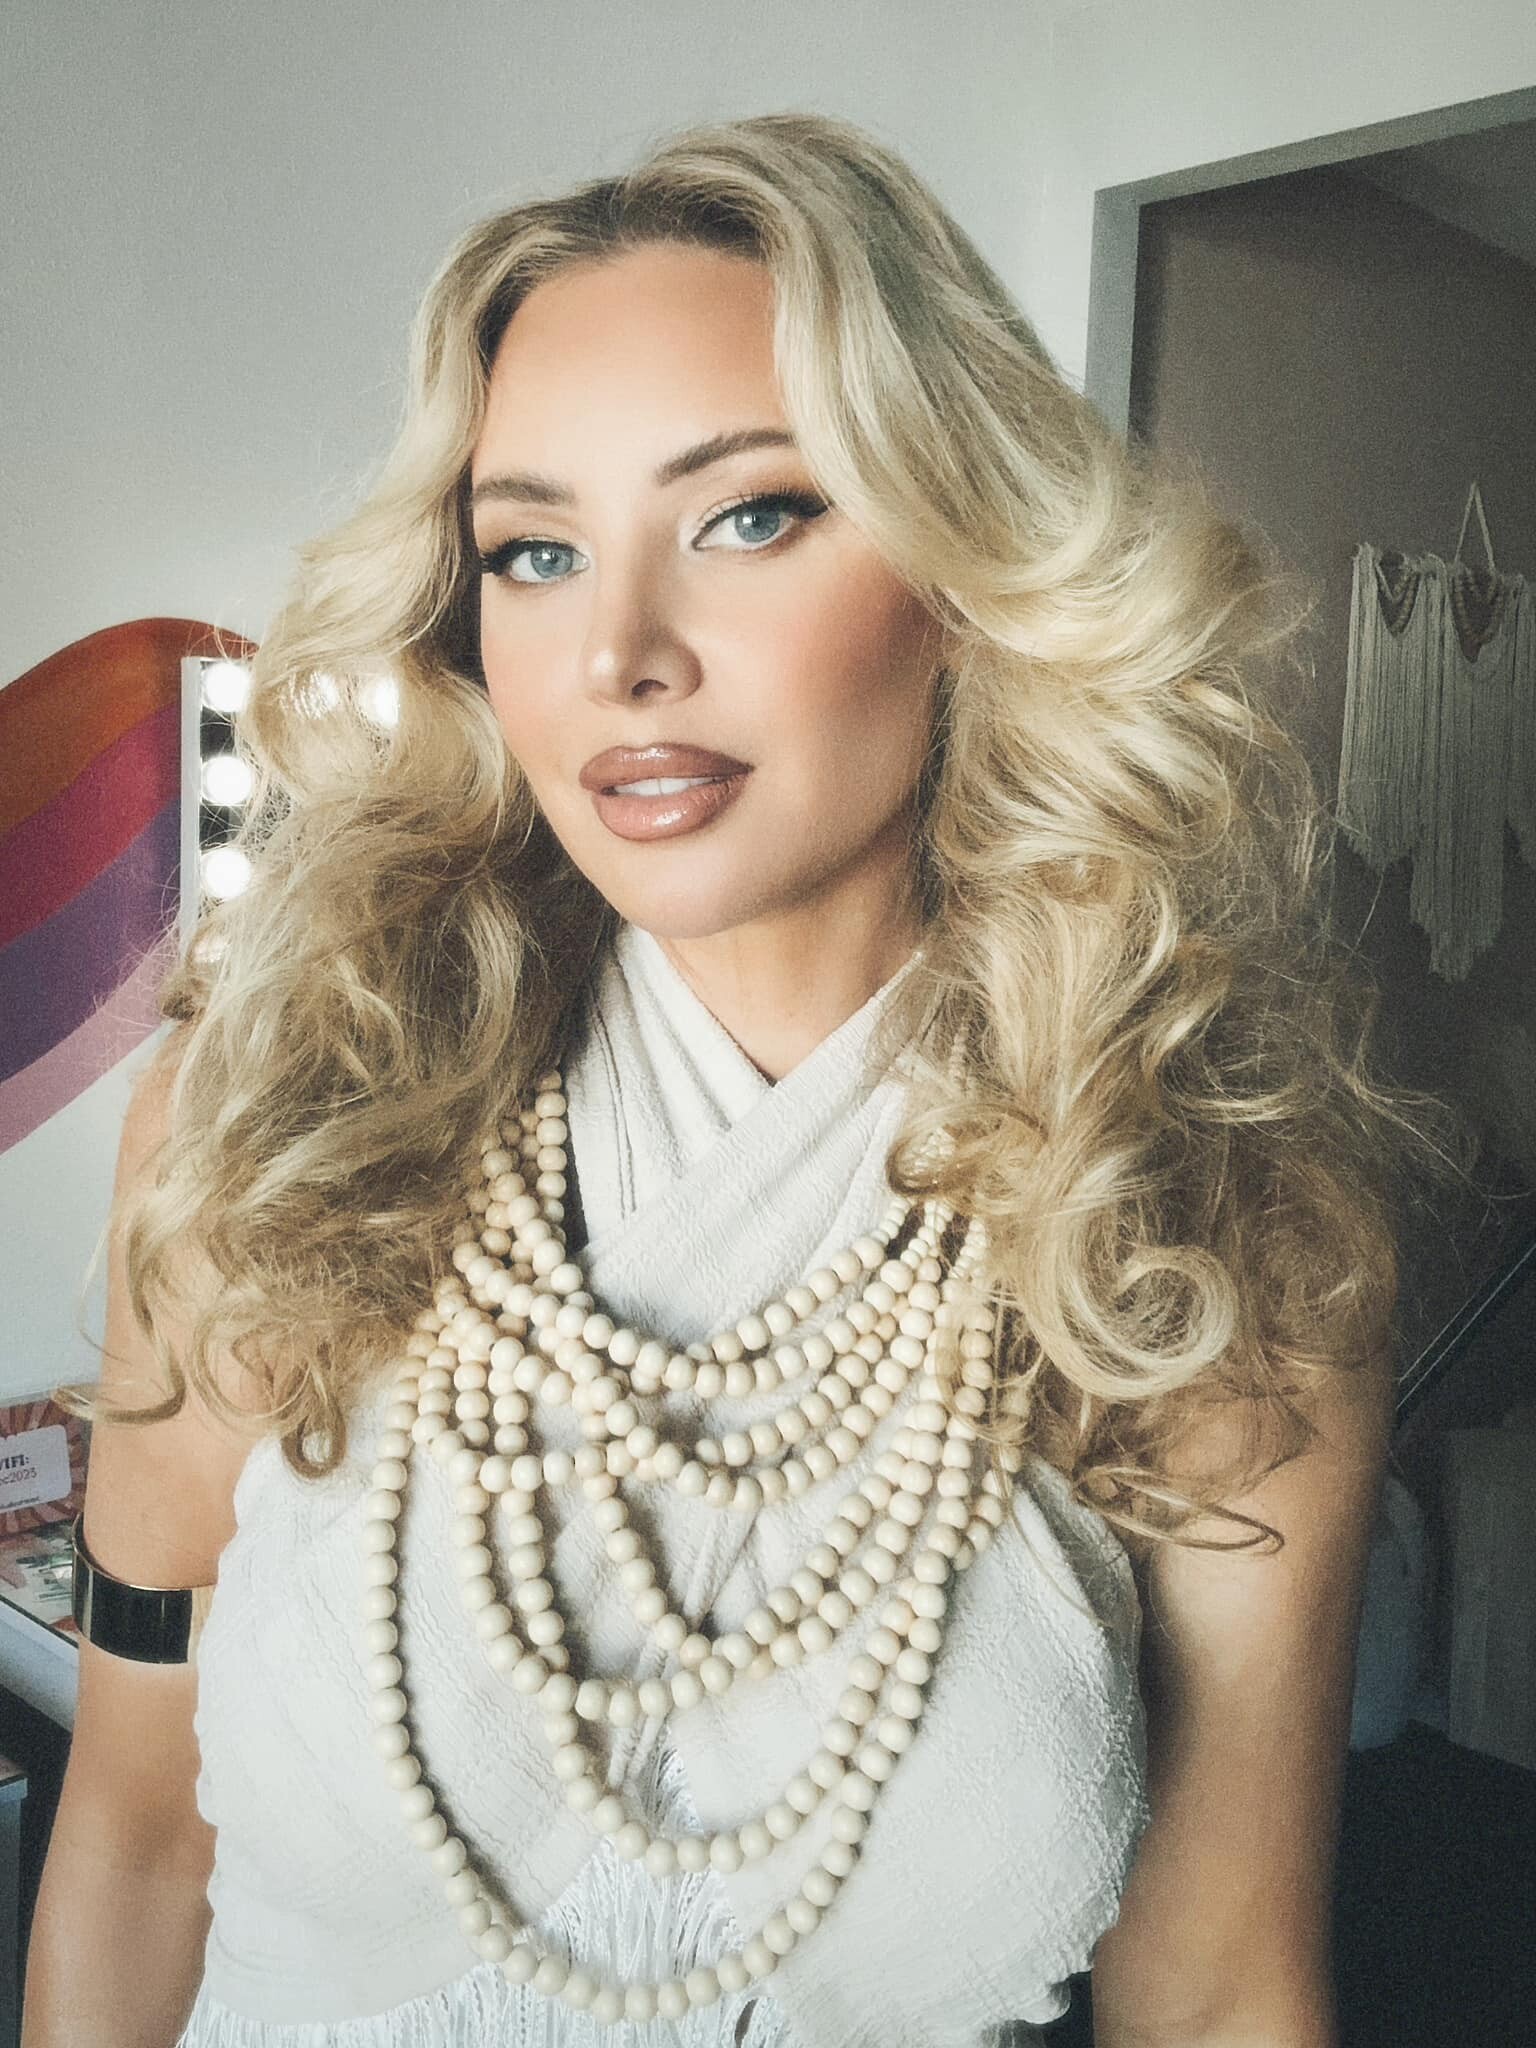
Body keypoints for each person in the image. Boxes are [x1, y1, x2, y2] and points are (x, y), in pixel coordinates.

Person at [29, 110, 1457, 2048]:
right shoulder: (275, 1127)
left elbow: (1218, 1994)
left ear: (968, 564)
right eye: (535, 552)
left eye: (752, 516)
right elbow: (132, 1840)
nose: (620, 652)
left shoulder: (1204, 1236)